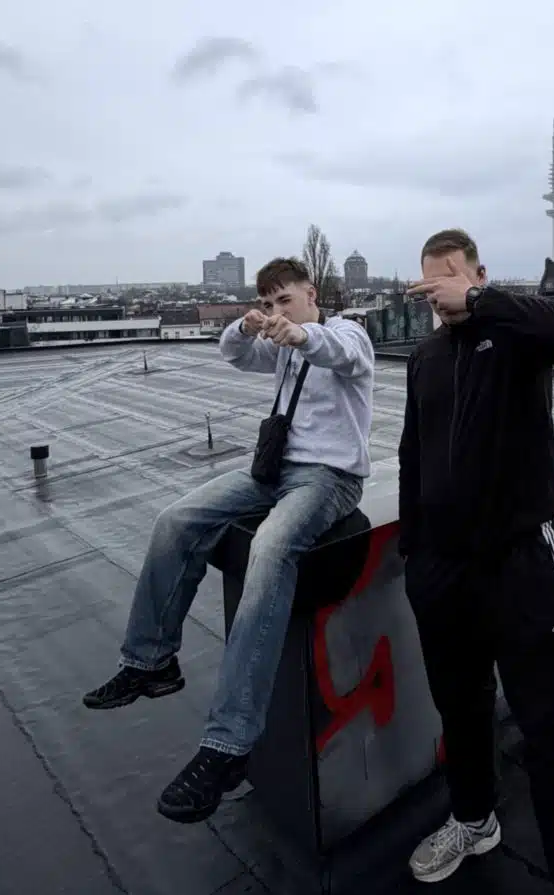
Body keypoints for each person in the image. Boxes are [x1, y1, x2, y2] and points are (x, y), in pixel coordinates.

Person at [83, 257, 374, 824]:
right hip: (274, 470)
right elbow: (234, 353)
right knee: (176, 519)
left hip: (329, 478)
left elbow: (343, 353)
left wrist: (301, 334)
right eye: (268, 303)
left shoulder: (346, 332)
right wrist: (246, 326)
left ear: (311, 294)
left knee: (271, 548)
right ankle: (150, 661)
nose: (277, 311)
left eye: (285, 299)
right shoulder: (281, 346)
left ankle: (229, 743)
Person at [398, 229, 554, 895]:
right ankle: (475, 820)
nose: (441, 293)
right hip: (444, 570)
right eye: (432, 284)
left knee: (549, 728)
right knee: (461, 707)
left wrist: (482, 302)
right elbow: (413, 456)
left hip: (518, 562)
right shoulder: (425, 359)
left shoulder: (516, 334)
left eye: (452, 278)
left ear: (478, 274)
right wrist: (416, 555)